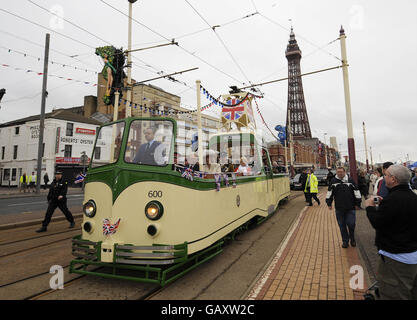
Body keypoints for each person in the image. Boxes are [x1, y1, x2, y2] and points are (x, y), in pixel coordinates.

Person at [365, 164, 417, 300]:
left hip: (396, 260)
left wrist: (370, 207)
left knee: (394, 293)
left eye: (386, 175)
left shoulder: (393, 200)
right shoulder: (413, 197)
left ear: (393, 179)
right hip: (413, 256)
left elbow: (378, 223)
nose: (384, 177)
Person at [326, 166, 362, 248]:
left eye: (341, 172)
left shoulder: (350, 180)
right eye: (338, 172)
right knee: (342, 226)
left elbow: (357, 192)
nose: (340, 173)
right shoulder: (333, 181)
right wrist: (329, 203)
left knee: (351, 224)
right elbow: (329, 193)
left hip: (350, 207)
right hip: (339, 208)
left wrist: (358, 204)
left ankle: (352, 238)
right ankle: (345, 241)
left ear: (344, 172)